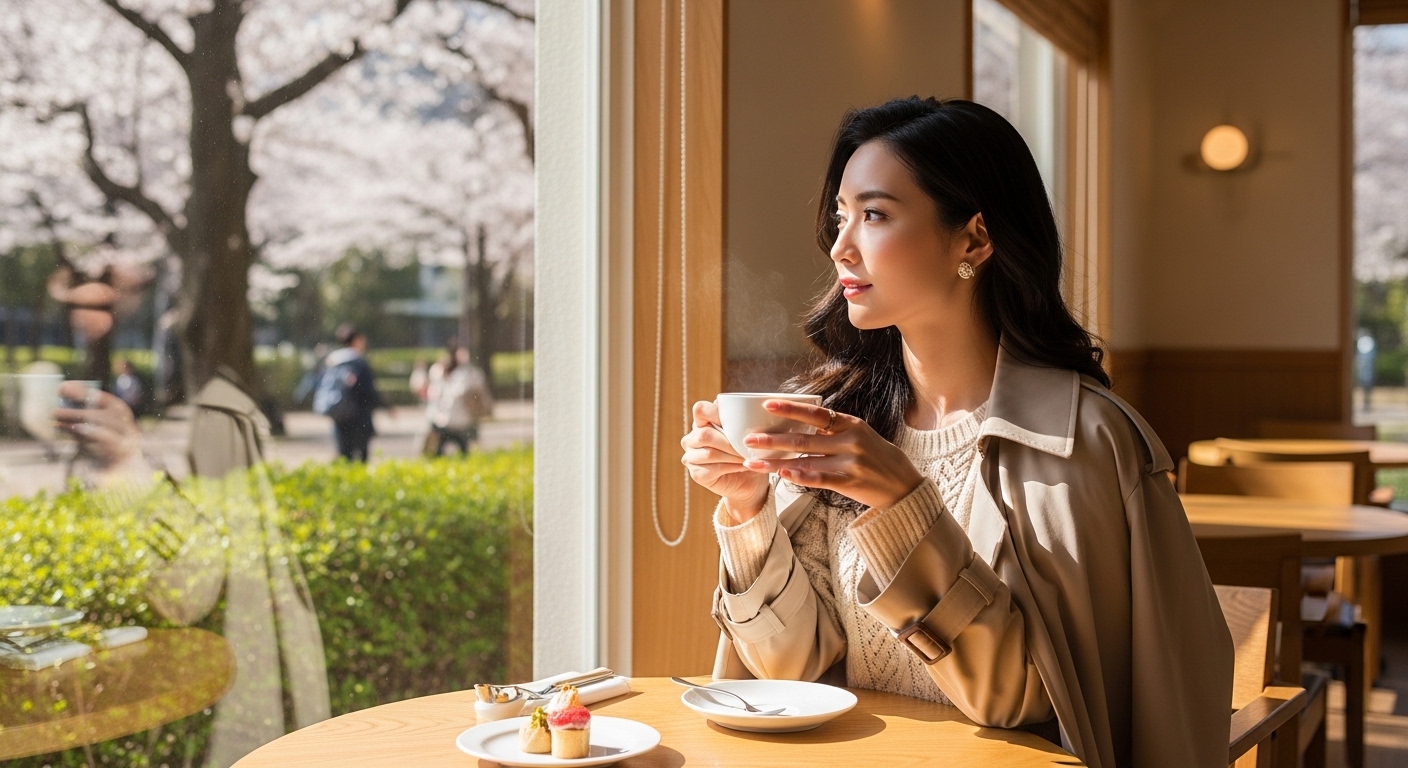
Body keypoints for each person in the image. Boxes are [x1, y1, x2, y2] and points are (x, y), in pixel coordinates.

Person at [680, 98, 1232, 768]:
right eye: (840, 216)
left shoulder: (1084, 444)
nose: (840, 246)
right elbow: (794, 673)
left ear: (974, 238)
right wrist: (748, 511)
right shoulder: (842, 422)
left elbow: (1016, 701)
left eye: (874, 215)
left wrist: (905, 507)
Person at [319, 325, 386, 462]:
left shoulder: (333, 361)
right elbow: (369, 390)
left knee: (344, 454)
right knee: (362, 455)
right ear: (356, 340)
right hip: (359, 415)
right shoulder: (358, 361)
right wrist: (384, 406)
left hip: (339, 413)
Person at [422, 342, 493, 456]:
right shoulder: (448, 372)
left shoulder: (462, 374)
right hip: (453, 422)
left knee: (459, 448)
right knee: (456, 449)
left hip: (451, 421)